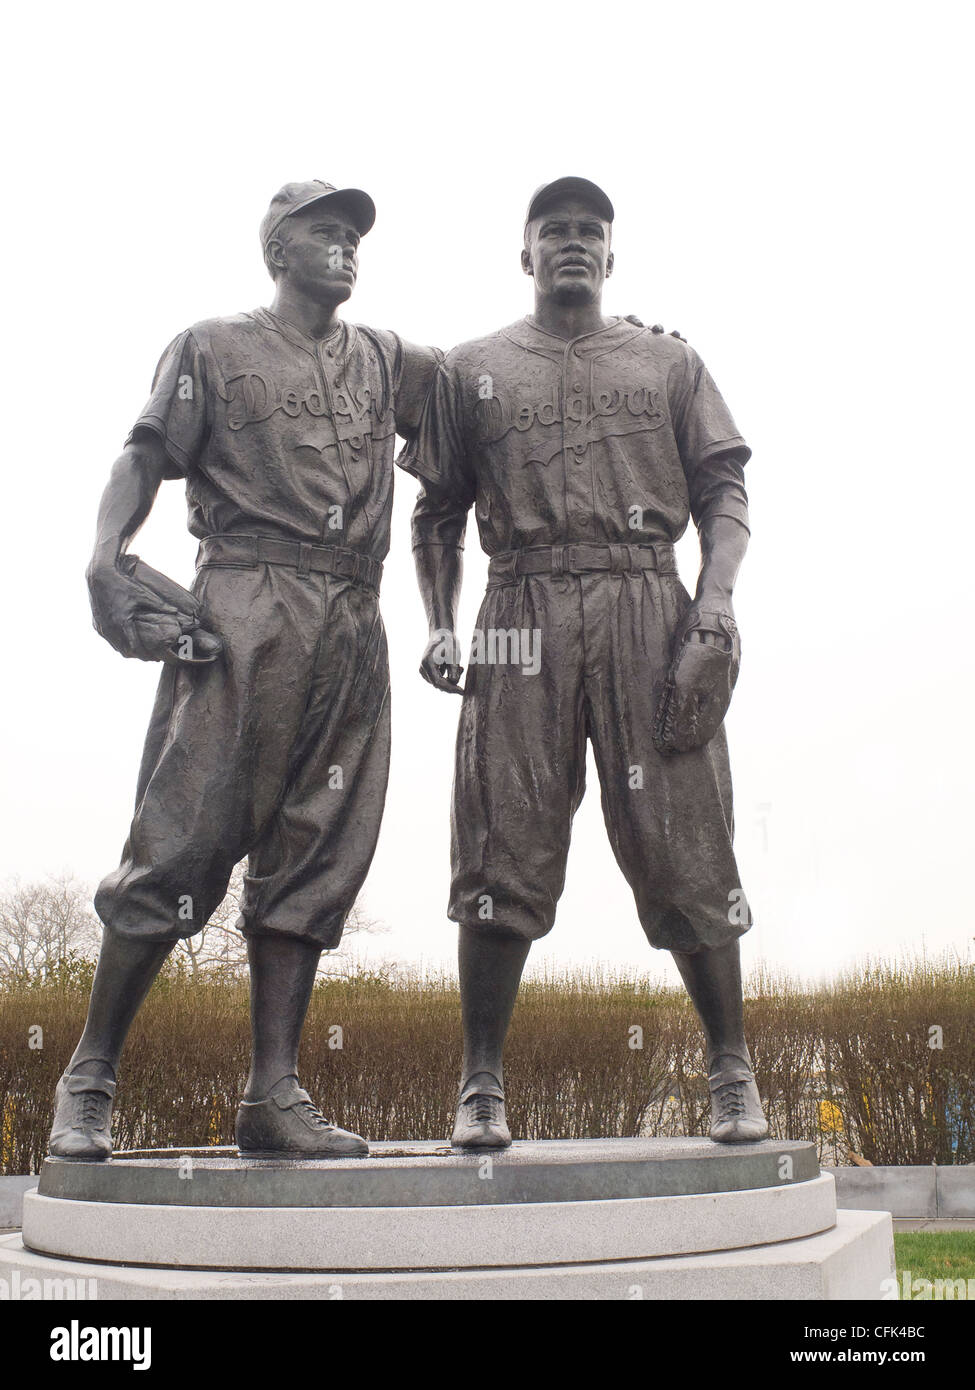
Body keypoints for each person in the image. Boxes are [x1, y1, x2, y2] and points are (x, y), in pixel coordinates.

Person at [49, 181, 439, 1161]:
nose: (347, 245)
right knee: (181, 841)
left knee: (315, 854)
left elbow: (492, 389)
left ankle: (274, 1091)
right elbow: (141, 455)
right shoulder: (212, 346)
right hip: (246, 604)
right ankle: (89, 1074)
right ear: (279, 248)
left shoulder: (388, 357)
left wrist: (601, 329)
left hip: (353, 615)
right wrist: (106, 551)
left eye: (355, 235)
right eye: (325, 231)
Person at [399, 176, 769, 1149]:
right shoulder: (470, 368)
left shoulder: (668, 362)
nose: (572, 242)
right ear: (524, 253)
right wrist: (441, 624)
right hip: (519, 610)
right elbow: (436, 514)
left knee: (683, 831)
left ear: (612, 255)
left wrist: (715, 604)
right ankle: (480, 1082)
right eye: (553, 229)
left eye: (590, 231)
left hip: (648, 601)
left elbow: (725, 491)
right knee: (500, 838)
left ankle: (732, 1066)